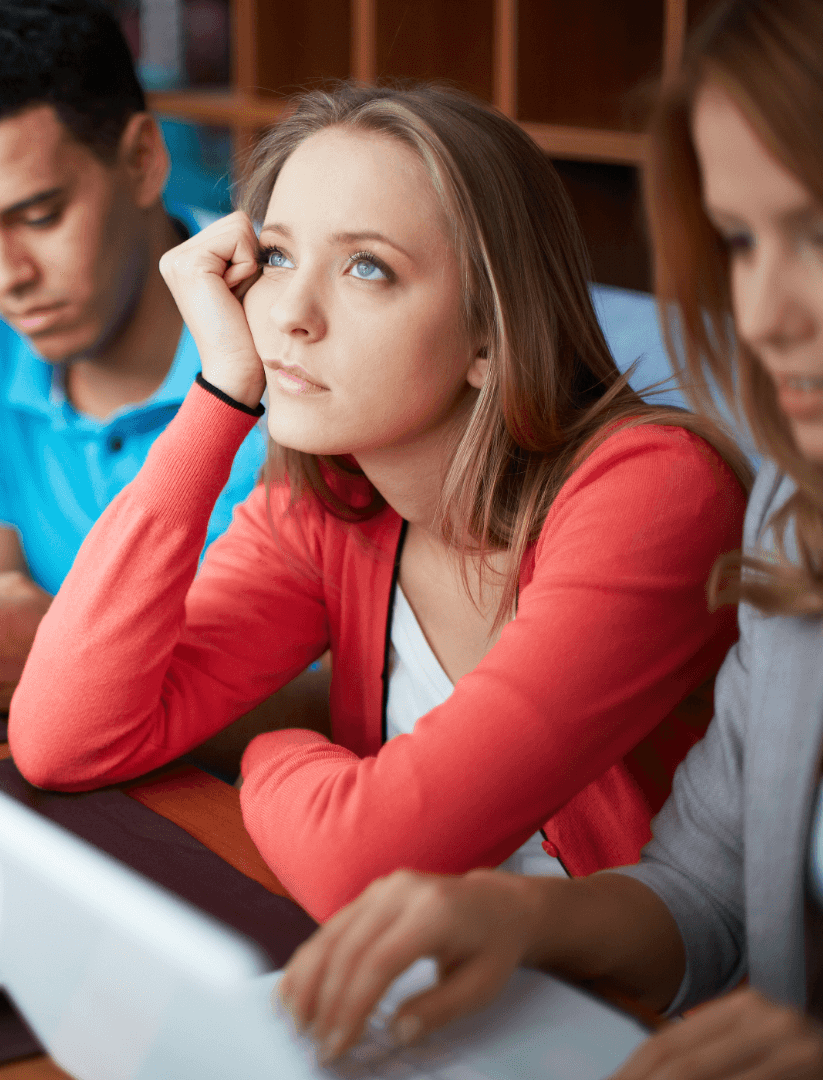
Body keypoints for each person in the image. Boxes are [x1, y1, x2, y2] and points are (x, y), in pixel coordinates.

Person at [8, 82, 751, 921]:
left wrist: (277, 751)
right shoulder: (330, 500)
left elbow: (359, 863)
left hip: (656, 1028)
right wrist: (218, 394)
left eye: (367, 267)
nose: (288, 313)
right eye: (278, 257)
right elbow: (63, 738)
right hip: (432, 995)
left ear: (488, 333)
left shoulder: (653, 492)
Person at [274, 1, 823, 1073]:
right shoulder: (794, 524)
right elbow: (706, 888)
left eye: (816, 233)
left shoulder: (662, 484)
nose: (761, 311)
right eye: (741, 241)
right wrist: (518, 924)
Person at [0, 0, 269, 713]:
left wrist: (74, 653)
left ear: (141, 160)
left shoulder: (290, 352)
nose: (6, 275)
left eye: (37, 217)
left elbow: (341, 691)